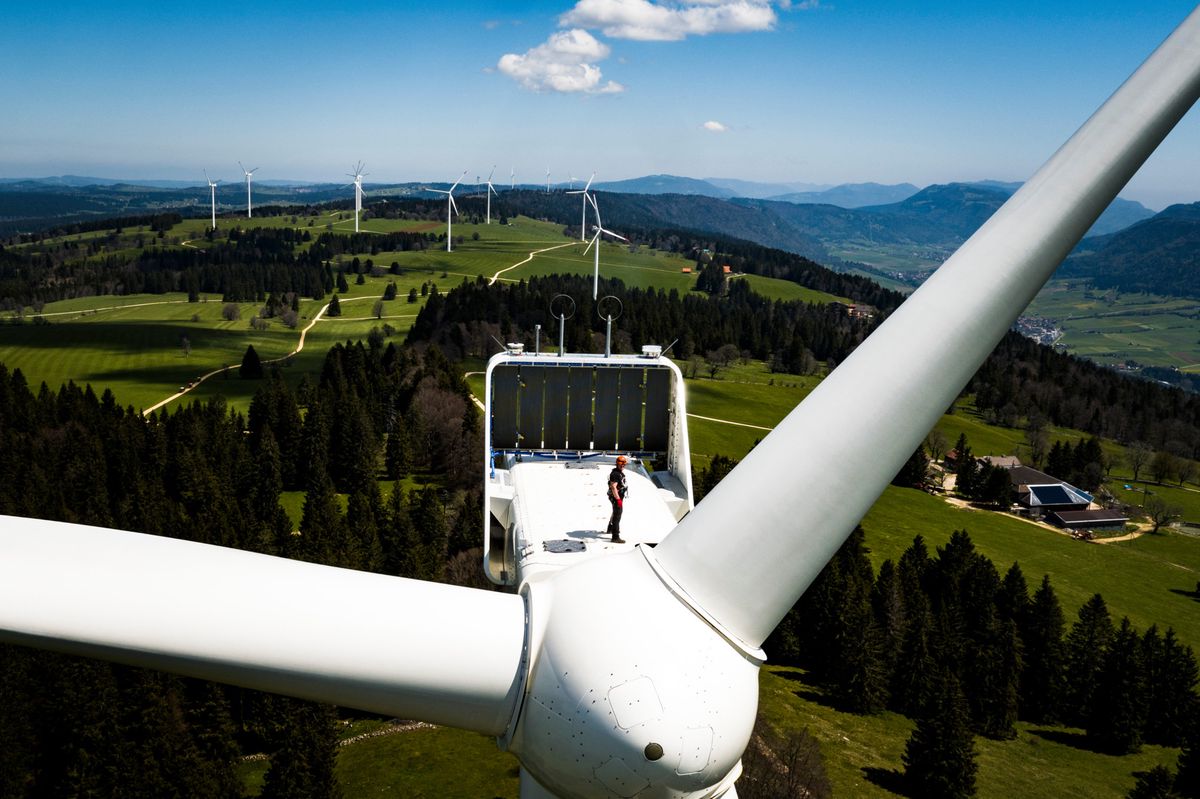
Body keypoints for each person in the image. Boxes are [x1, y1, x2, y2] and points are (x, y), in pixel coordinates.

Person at [606, 455, 629, 544]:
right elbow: (613, 487)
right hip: (616, 497)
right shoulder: (615, 474)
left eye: (624, 464)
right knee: (617, 515)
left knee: (615, 512)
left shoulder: (618, 472)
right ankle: (615, 537)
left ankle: (610, 528)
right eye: (621, 464)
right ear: (617, 464)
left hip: (617, 497)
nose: (623, 466)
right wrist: (618, 499)